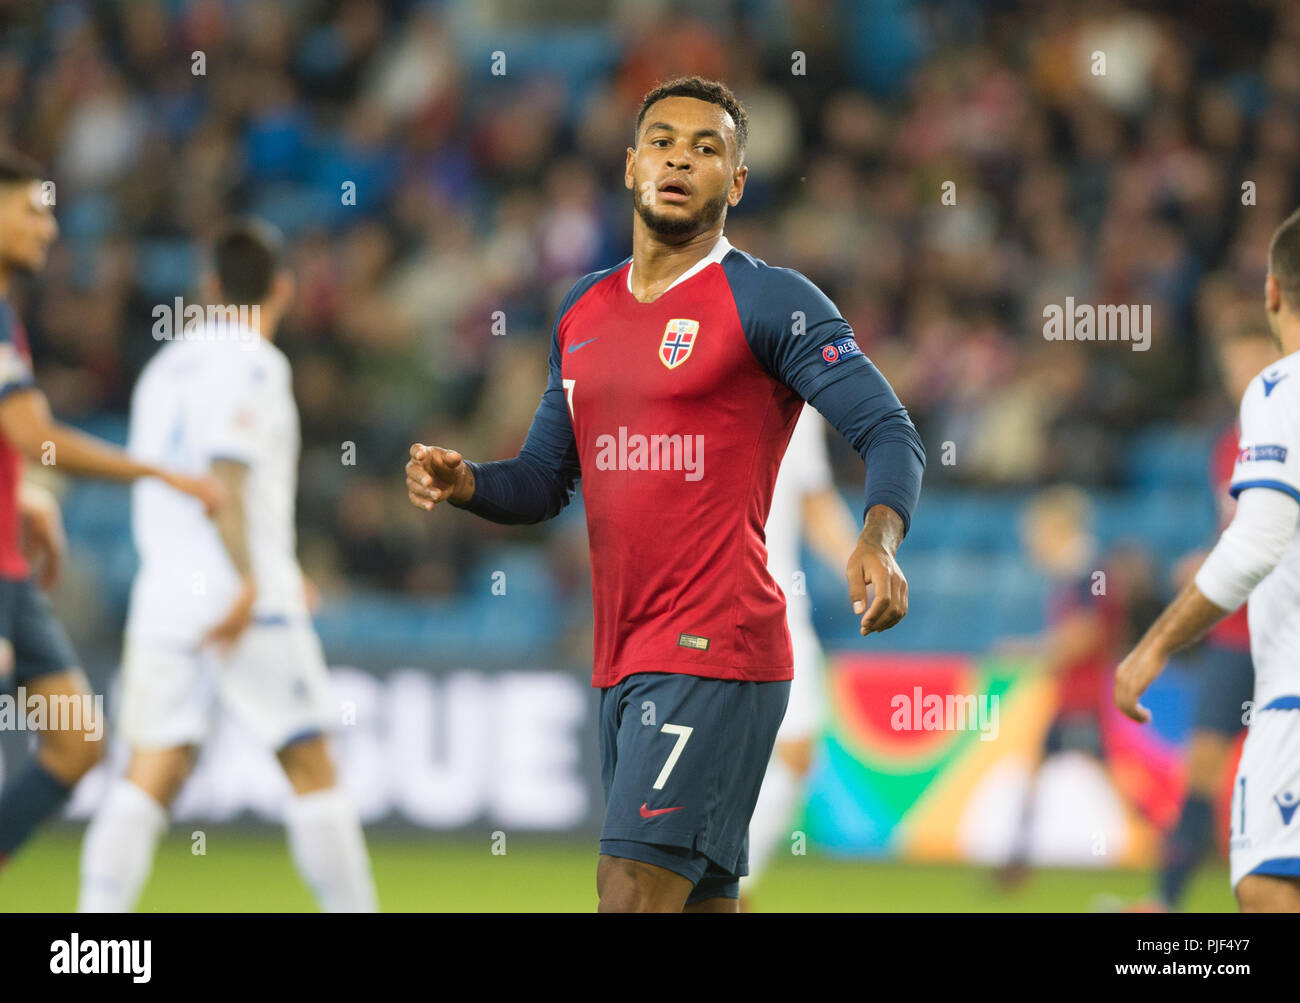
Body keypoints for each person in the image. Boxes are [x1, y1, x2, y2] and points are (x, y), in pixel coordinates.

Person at [405, 77, 925, 912]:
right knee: (698, 903)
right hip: (625, 656)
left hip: (715, 646)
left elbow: (890, 429)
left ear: (738, 182)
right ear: (629, 165)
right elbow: (543, 481)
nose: (681, 155)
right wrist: (469, 482)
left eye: (708, 146)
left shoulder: (770, 301)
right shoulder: (581, 312)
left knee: (629, 893)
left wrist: (879, 536)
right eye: (663, 139)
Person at [77, 220, 377, 912]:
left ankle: (92, 932)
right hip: (239, 588)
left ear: (211, 288)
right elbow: (225, 476)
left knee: (152, 769)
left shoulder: (164, 366)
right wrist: (251, 576)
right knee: (311, 762)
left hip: (164, 595)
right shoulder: (258, 362)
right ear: (284, 289)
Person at [0, 151, 219, 873]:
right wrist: (155, 470)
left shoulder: (8, 311)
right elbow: (33, 435)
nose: (50, 224)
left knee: (76, 741)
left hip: (11, 567)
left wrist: (23, 495)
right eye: (31, 208)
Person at [1116, 206, 1300, 913]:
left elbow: (1254, 542)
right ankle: (1163, 899)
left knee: (1265, 884)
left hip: (1274, 656)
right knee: (1204, 777)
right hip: (1238, 635)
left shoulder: (1278, 395)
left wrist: (1155, 641)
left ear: (1273, 296)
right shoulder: (1224, 441)